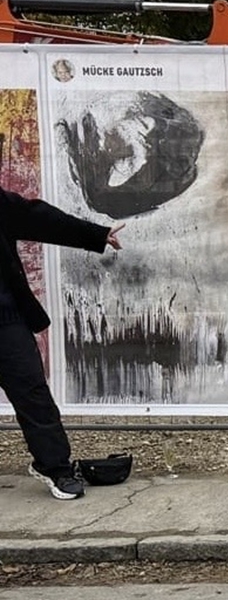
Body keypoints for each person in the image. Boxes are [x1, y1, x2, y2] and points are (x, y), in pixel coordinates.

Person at [0, 186, 124, 500]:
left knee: (33, 394)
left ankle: (55, 467)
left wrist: (96, 234)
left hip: (5, 320)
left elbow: (38, 218)